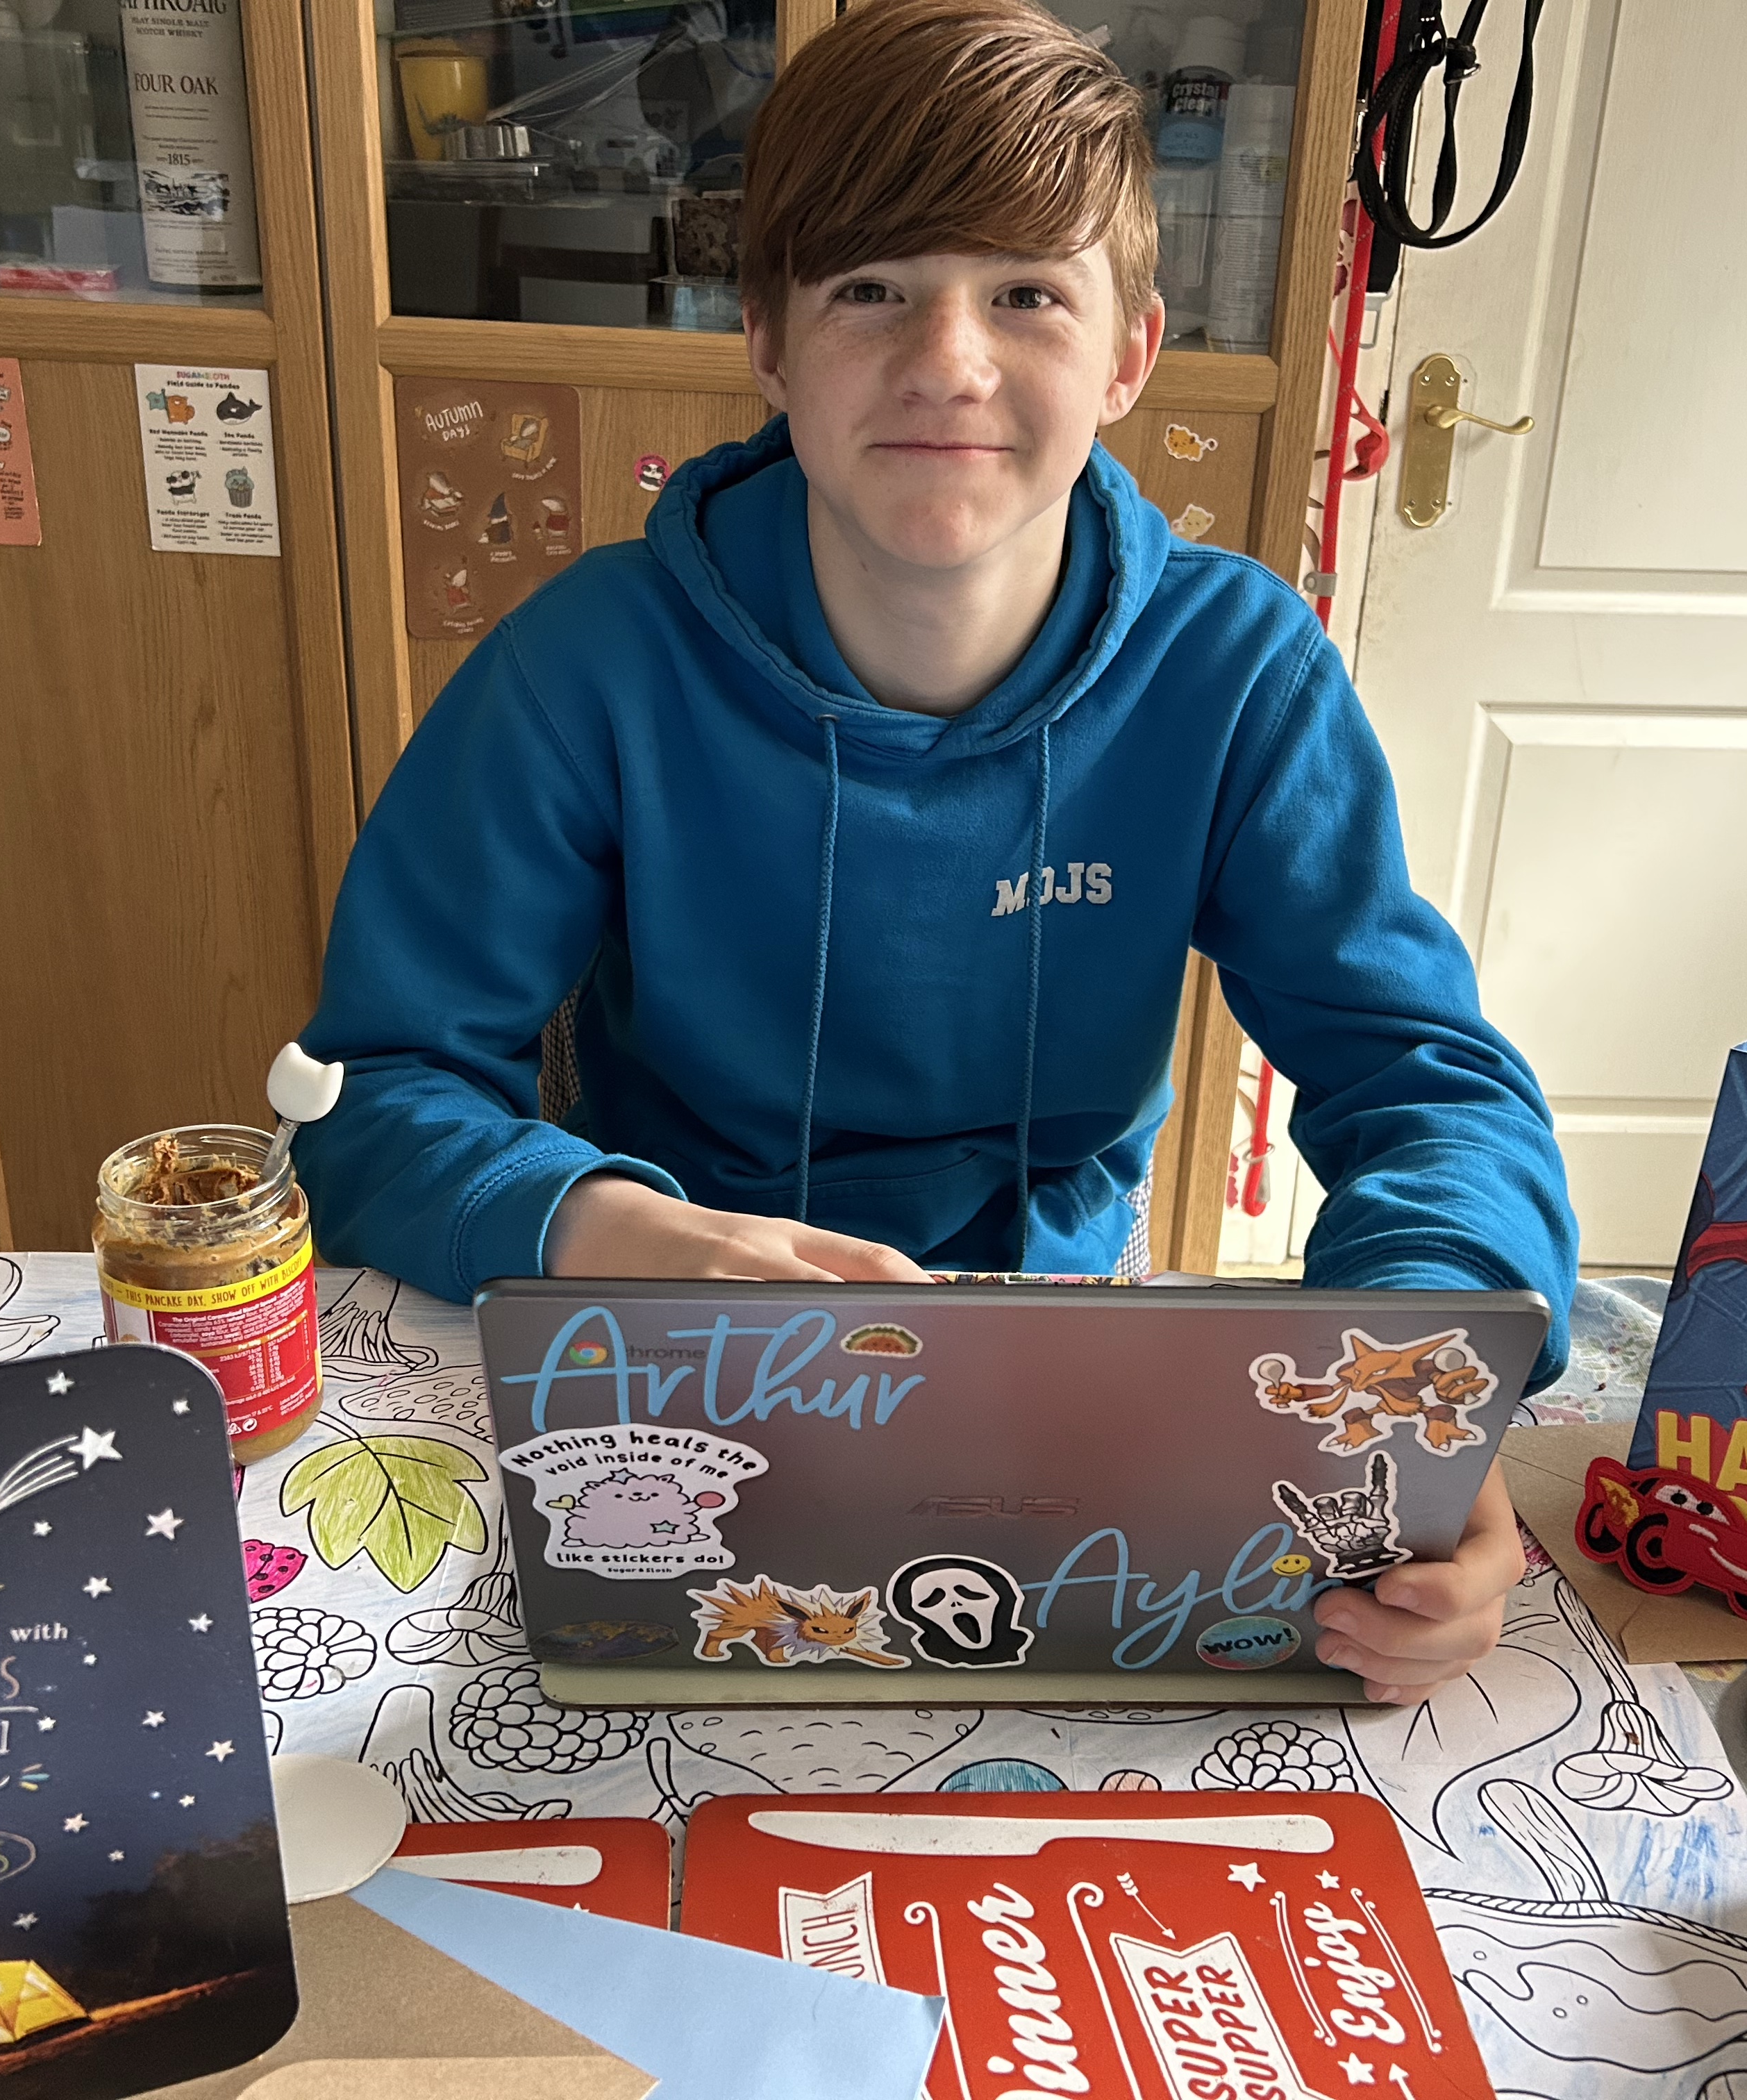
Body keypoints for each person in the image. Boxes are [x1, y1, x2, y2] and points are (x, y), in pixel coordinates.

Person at [294, 0, 1575, 1701]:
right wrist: (594, 1221)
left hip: (1068, 1372)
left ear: (1128, 356)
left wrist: (1425, 1405)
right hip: (667, 1350)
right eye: (872, 290)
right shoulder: (584, 663)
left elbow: (1428, 1081)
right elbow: (368, 1090)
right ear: (766, 340)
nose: (948, 363)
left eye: (1028, 294)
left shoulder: (1238, 668)